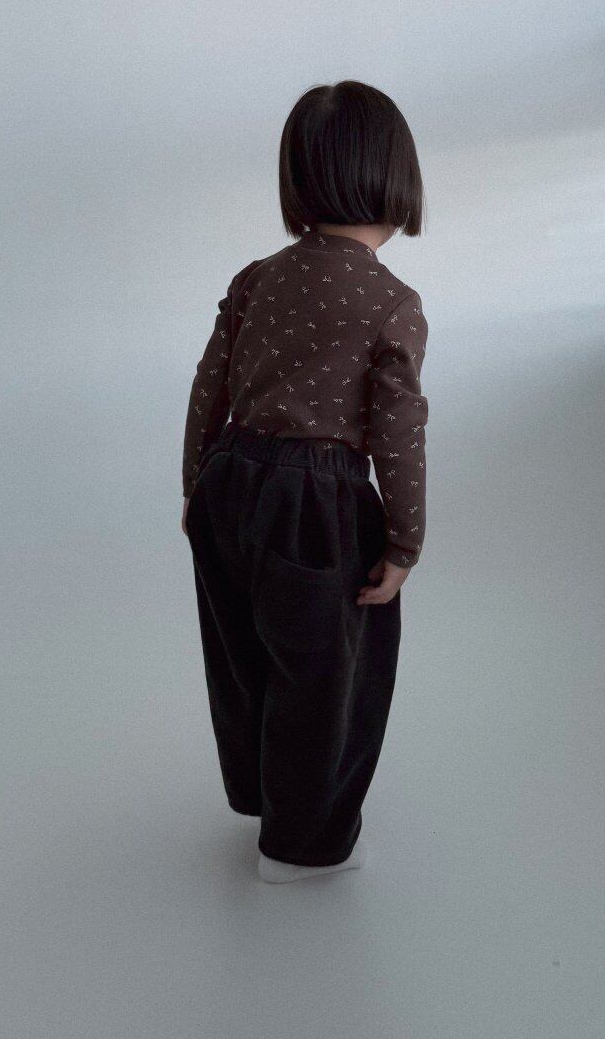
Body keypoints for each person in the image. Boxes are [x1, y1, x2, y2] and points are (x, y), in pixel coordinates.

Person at [180, 81, 429, 883]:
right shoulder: (391, 302)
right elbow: (398, 431)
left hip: (230, 482)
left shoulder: (257, 277)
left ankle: (263, 799)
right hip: (315, 502)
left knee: (244, 655)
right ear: (396, 177)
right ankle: (303, 848)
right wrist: (404, 541)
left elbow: (210, 383)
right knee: (328, 676)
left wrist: (195, 486)